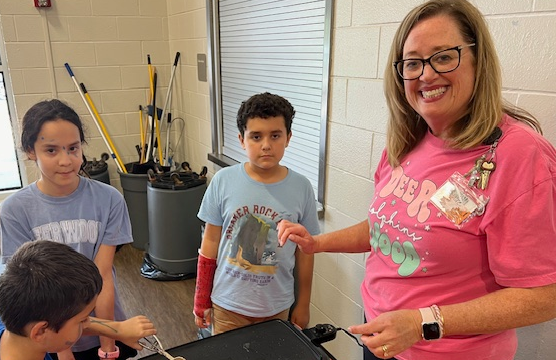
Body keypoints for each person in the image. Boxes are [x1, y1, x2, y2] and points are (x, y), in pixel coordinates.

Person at [278, 0, 556, 359]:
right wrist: (318, 243)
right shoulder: (408, 140)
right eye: (412, 63)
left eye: (443, 57)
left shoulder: (519, 154)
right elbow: (387, 228)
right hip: (382, 338)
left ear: (477, 59)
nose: (426, 75)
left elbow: (544, 295)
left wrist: (422, 322)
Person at [0, 99, 138, 360]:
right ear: (31, 151)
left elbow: (103, 276)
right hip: (49, 336)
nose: (66, 160)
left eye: (73, 148)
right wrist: (63, 353)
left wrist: (108, 346)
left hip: (104, 327)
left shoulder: (109, 199)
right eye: (51, 150)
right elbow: (36, 293)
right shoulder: (15, 210)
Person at [193, 92, 321, 335]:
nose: (266, 145)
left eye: (275, 135)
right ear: (242, 140)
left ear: (288, 138)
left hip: (276, 307)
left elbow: (306, 251)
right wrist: (201, 299)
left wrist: (303, 304)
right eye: (256, 136)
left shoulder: (302, 188)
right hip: (227, 305)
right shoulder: (223, 181)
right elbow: (209, 242)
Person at [0, 240, 156, 360]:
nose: (87, 322)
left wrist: (118, 329)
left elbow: (61, 322)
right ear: (40, 332)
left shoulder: (10, 322)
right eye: (82, 319)